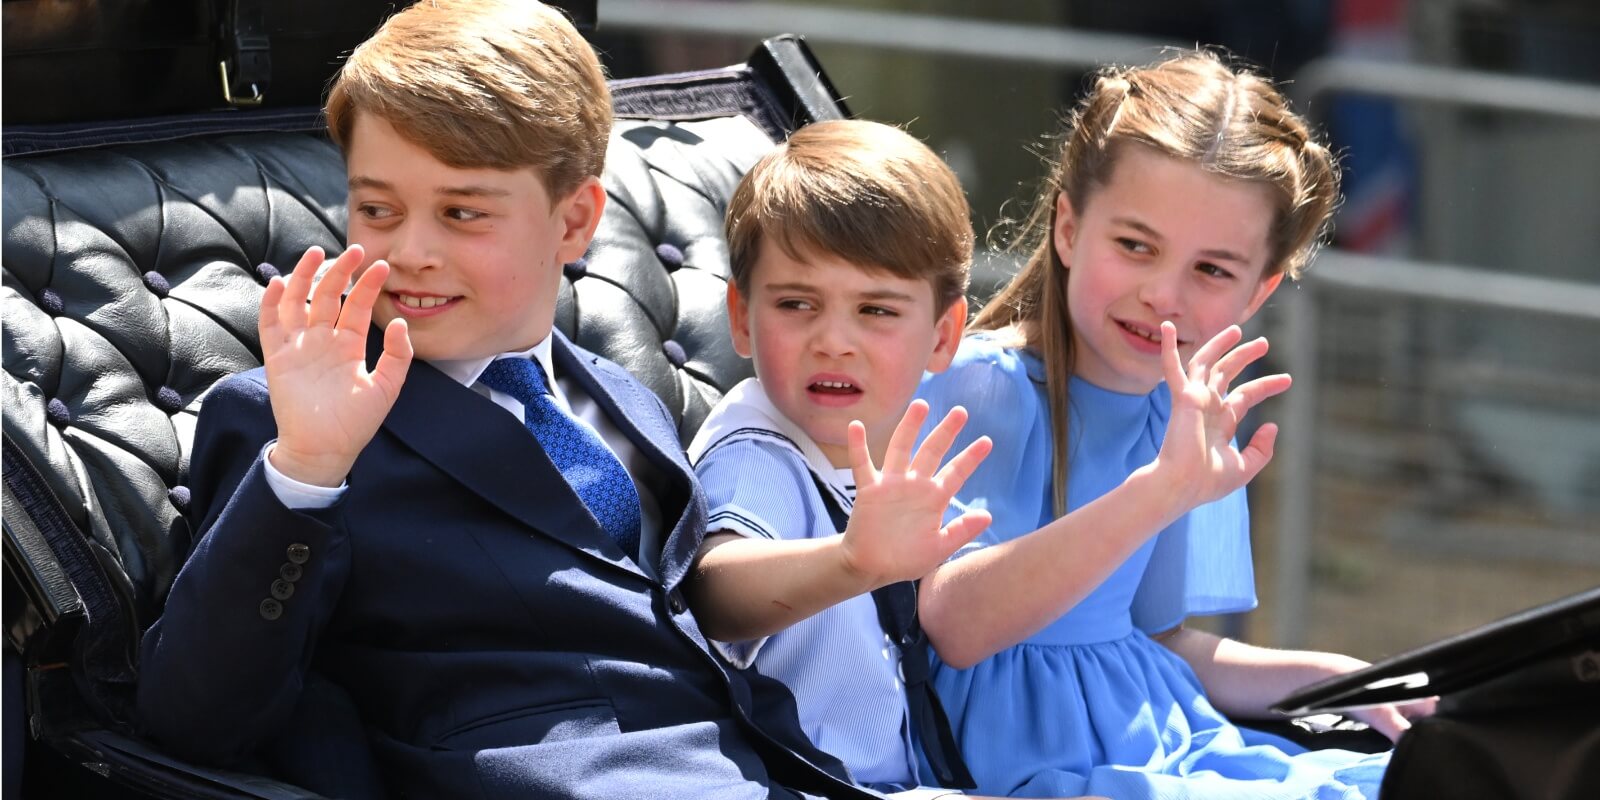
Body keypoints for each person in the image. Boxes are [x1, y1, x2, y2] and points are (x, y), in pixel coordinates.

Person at [134, 3, 885, 798]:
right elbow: (194, 718)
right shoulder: (285, 423)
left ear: (575, 222)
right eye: (377, 210)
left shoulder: (625, 396)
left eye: (462, 213)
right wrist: (307, 469)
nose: (410, 253)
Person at [682, 118, 1268, 800]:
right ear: (743, 318)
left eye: (875, 310)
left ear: (942, 337)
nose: (834, 340)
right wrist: (850, 560)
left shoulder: (892, 446)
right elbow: (715, 591)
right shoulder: (762, 443)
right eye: (796, 304)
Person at [913, 51, 1434, 799]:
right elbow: (955, 629)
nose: (1164, 295)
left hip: (1168, 738)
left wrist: (1338, 678)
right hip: (1033, 767)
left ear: (1259, 291)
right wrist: (1161, 490)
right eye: (1135, 246)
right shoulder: (980, 386)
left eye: (1213, 270)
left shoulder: (1192, 411)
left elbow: (1156, 643)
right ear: (1067, 228)